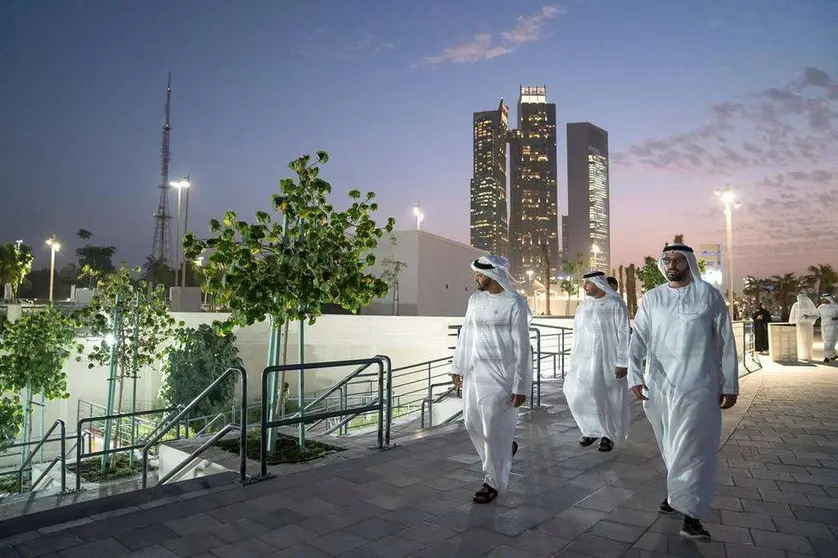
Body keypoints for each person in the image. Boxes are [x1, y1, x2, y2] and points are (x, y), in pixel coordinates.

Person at [628, 243, 738, 541]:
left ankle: (691, 515)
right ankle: (677, 494)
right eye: (667, 259)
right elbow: (638, 339)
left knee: (695, 449)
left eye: (678, 259)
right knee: (670, 446)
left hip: (698, 386)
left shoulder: (708, 296)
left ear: (689, 263)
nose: (672, 264)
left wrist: (730, 384)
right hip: (660, 388)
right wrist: (635, 376)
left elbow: (726, 342)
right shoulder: (653, 298)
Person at [450, 254, 532, 504]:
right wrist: (458, 367)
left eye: (479, 274)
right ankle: (504, 450)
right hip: (475, 374)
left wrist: (521, 384)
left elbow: (522, 347)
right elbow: (466, 335)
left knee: (494, 428)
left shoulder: (515, 303)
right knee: (472, 423)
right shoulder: (474, 300)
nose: (475, 278)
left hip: (501, 379)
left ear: (494, 275)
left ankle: (491, 481)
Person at [564, 271, 631, 452]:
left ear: (598, 283)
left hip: (608, 359)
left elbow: (624, 333)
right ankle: (590, 429)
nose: (584, 286)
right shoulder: (583, 306)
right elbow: (577, 334)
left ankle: (608, 435)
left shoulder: (615, 304)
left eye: (587, 283)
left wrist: (622, 362)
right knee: (578, 394)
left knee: (608, 397)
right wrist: (574, 359)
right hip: (585, 360)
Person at [789, 292, 818, 361]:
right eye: (798, 297)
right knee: (800, 339)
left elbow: (815, 315)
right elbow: (792, 314)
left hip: (808, 325)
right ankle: (801, 355)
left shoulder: (810, 305)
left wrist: (809, 317)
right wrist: (791, 322)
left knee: (807, 340)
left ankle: (807, 355)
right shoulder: (796, 305)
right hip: (799, 325)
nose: (800, 299)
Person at [817, 294, 838, 362]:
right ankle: (833, 355)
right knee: (826, 341)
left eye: (824, 299)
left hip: (833, 326)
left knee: (829, 341)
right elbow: (816, 315)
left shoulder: (835, 307)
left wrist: (836, 318)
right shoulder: (821, 307)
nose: (822, 300)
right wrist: (808, 316)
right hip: (824, 326)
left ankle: (827, 357)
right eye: (822, 299)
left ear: (828, 299)